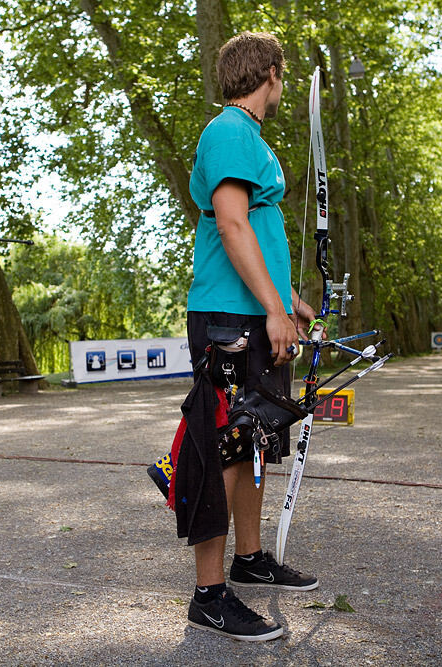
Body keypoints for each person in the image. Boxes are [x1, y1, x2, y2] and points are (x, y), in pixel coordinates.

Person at [178, 32, 319, 641]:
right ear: (269, 74)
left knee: (256, 441)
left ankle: (250, 557)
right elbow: (232, 224)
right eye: (281, 76)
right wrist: (270, 309)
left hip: (253, 312)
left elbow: (250, 230)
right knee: (223, 449)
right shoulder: (230, 131)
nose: (282, 87)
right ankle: (210, 595)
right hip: (228, 320)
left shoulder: (245, 136)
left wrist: (286, 297)